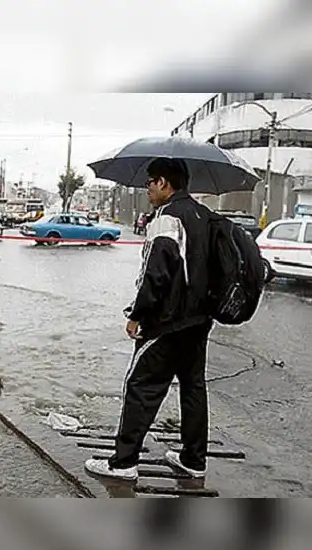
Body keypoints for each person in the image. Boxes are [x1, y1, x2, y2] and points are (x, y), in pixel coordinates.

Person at [84, 157, 214, 481]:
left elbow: (154, 274)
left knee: (140, 386)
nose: (148, 189)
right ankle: (194, 460)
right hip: (199, 319)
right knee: (193, 387)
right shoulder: (205, 216)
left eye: (150, 183)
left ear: (165, 184)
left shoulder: (167, 218)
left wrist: (137, 314)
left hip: (167, 321)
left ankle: (124, 463)